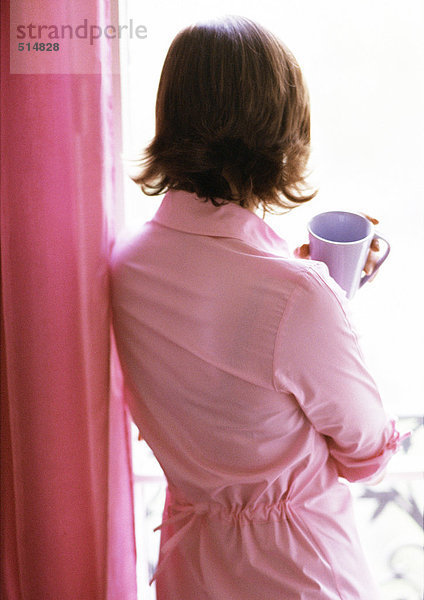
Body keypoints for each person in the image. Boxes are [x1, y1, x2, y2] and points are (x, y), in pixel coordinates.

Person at [110, 16, 405, 599]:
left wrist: (319, 301)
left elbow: (234, 390)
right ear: (282, 131)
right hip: (301, 574)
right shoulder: (296, 295)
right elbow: (367, 454)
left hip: (191, 571)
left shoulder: (125, 266)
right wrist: (329, 307)